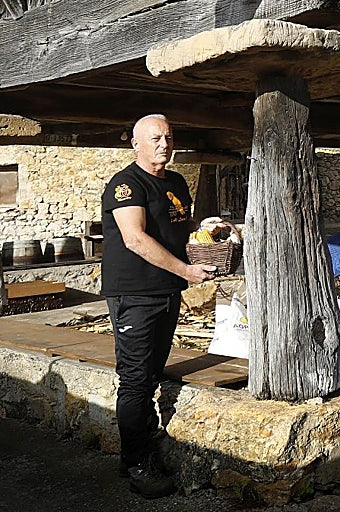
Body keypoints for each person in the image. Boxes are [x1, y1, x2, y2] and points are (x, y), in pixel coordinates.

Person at [101, 114, 215, 499]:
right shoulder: (125, 184)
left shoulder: (178, 182)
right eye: (154, 138)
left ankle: (136, 451)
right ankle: (137, 464)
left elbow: (182, 231)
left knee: (151, 374)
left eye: (168, 137)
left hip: (166, 291)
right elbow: (134, 238)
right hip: (134, 294)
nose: (163, 144)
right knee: (135, 379)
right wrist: (185, 268)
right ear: (135, 143)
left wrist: (212, 236)